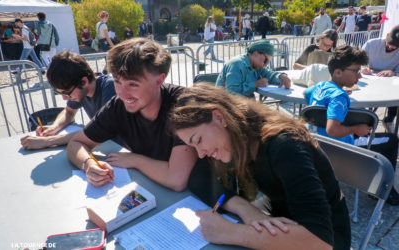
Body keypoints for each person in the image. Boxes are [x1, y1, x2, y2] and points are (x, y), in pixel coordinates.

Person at [171, 83, 351, 250]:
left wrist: (231, 232)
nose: (200, 153)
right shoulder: (237, 136)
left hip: (326, 235)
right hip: (280, 220)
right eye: (193, 146)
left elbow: (321, 243)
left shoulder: (285, 146)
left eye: (198, 140)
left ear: (219, 117)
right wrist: (245, 209)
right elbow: (198, 177)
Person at [66, 38, 197, 190]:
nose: (122, 93)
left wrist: (136, 160)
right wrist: (88, 164)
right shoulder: (118, 105)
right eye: (117, 81)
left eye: (133, 84)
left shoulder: (183, 105)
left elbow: (177, 179)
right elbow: (76, 143)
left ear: (159, 80)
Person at [305, 45, 399, 206]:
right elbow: (332, 129)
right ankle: (382, 190)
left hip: (317, 146)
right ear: (338, 72)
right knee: (391, 140)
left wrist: (335, 95)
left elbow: (306, 95)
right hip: (341, 151)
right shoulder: (339, 96)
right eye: (356, 71)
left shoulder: (321, 87)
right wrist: (356, 129)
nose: (360, 76)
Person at [20, 51, 116, 150]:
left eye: (66, 93)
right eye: (60, 93)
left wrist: (48, 141)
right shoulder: (80, 90)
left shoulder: (110, 87)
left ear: (84, 82)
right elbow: (69, 112)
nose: (64, 98)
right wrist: (54, 127)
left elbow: (100, 130)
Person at [216, 40, 291, 98]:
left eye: (268, 62)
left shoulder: (257, 65)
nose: (265, 65)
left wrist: (281, 76)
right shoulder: (237, 64)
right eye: (266, 60)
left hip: (244, 104)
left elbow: (269, 74)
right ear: (256, 53)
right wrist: (255, 84)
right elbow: (232, 92)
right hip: (226, 106)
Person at [361, 25, 399, 131]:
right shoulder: (371, 44)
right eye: (390, 43)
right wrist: (363, 67)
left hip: (389, 83)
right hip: (368, 79)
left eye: (396, 46)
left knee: (396, 94)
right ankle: (362, 121)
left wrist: (394, 73)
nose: (392, 47)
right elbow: (358, 61)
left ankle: (389, 120)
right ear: (386, 36)